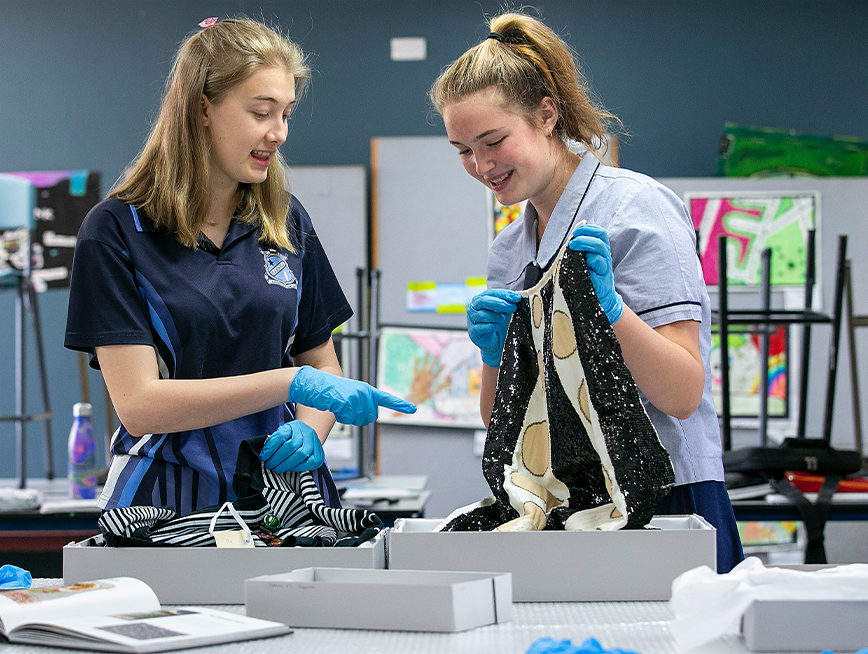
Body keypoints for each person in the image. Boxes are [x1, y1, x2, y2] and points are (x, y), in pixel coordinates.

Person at [430, 11, 743, 572]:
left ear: (547, 114)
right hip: (568, 499)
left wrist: (611, 313)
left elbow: (682, 393)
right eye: (462, 150)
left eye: (494, 140)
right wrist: (494, 357)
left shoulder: (636, 210)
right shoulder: (510, 248)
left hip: (666, 494)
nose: (481, 165)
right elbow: (497, 416)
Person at [64, 17, 414, 517]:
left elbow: (322, 364)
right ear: (202, 108)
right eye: (261, 112)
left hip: (283, 497)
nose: (279, 133)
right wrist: (286, 384)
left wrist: (310, 428)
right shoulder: (117, 230)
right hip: (164, 504)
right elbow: (139, 407)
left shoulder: (286, 221)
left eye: (287, 113)